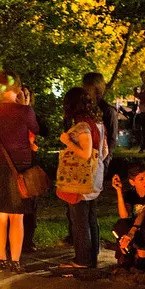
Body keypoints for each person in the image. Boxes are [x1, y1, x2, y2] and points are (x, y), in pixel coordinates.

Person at [0, 72, 39, 273]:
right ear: (17, 89)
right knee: (17, 217)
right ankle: (15, 261)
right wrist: (26, 104)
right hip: (20, 168)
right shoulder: (25, 111)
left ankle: (2, 260)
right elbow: (35, 128)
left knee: (0, 215)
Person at [58, 87, 110, 268]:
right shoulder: (98, 124)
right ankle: (92, 255)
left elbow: (86, 153)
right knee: (90, 217)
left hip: (81, 180)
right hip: (96, 176)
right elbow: (104, 151)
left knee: (79, 219)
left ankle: (82, 259)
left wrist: (67, 142)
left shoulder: (82, 126)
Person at [111, 162, 145, 272]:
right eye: (141, 179)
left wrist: (132, 231)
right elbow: (124, 215)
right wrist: (119, 191)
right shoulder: (131, 194)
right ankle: (127, 256)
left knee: (143, 227)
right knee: (121, 224)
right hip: (136, 229)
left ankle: (142, 261)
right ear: (132, 182)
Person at [82, 72, 119, 161]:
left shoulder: (108, 111)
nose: (85, 91)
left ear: (97, 89)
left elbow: (112, 140)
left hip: (99, 161)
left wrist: (104, 163)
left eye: (88, 88)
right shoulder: (83, 108)